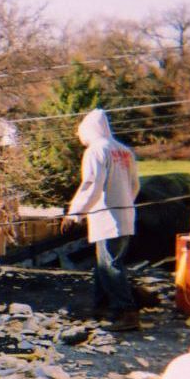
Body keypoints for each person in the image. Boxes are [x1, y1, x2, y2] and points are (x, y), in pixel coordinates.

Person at [60, 109, 141, 332]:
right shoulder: (124, 151)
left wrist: (75, 213)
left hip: (107, 217)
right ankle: (102, 305)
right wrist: (125, 204)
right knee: (104, 263)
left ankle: (126, 311)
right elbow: (135, 185)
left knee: (110, 265)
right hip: (124, 215)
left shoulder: (96, 151)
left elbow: (92, 185)